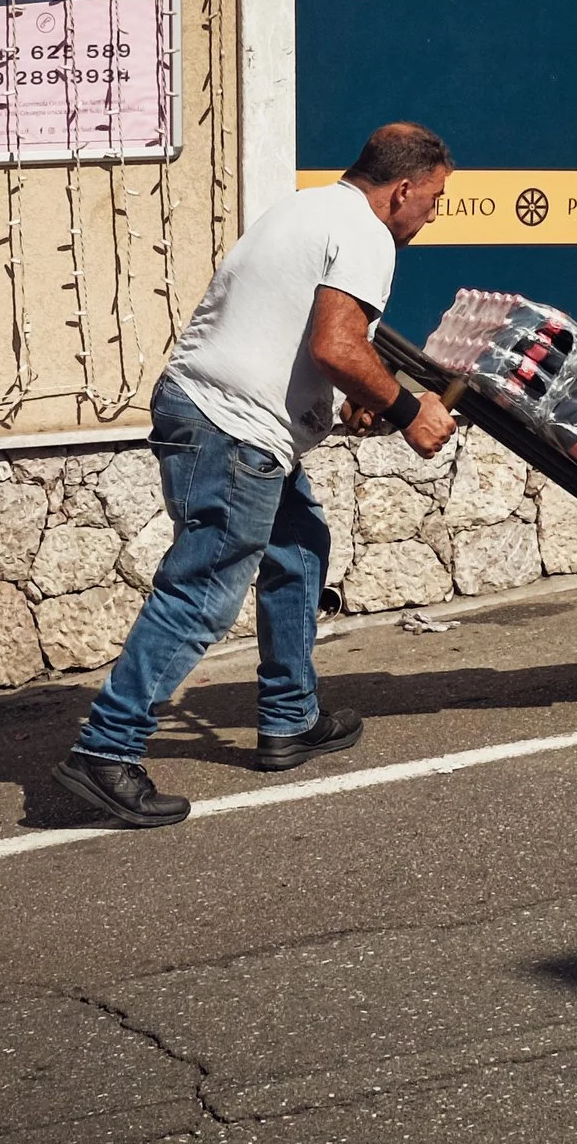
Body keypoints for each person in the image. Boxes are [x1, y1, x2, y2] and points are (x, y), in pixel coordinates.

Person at [54, 122, 459, 827]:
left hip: (217, 413)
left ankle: (290, 719)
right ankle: (105, 751)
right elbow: (337, 345)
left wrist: (361, 400)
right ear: (402, 189)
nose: (433, 211)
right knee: (203, 592)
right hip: (232, 428)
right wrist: (405, 407)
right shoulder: (365, 233)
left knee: (298, 547)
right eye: (434, 197)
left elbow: (304, 341)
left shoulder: (308, 207)